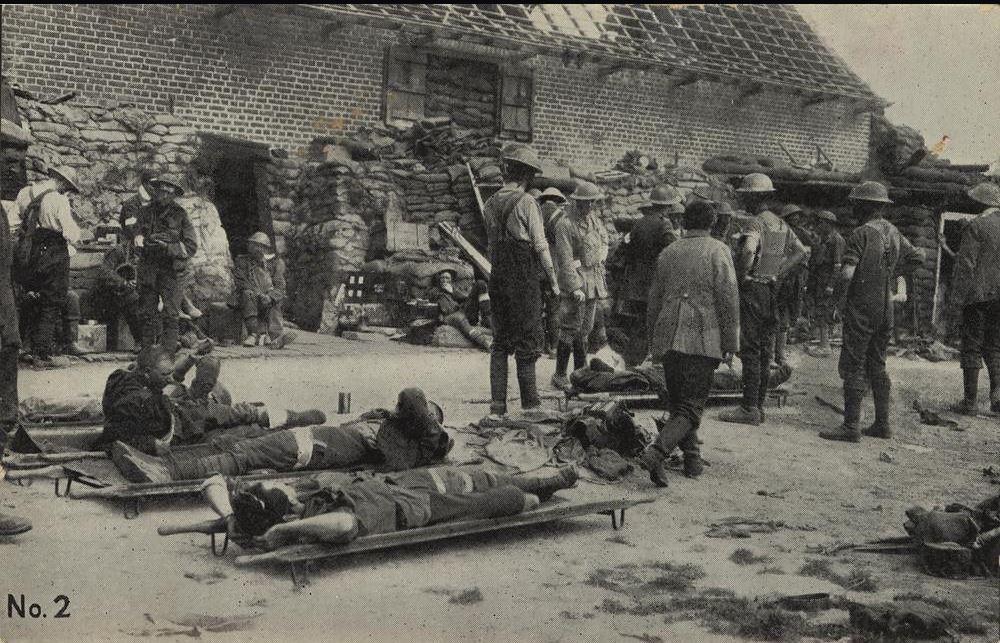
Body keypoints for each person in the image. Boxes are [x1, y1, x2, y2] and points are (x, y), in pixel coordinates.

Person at [111, 388, 452, 484]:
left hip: (312, 447)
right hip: (311, 440)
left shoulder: (421, 443)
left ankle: (165, 474)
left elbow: (412, 396)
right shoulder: (396, 432)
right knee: (235, 445)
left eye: (430, 416)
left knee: (241, 456)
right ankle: (161, 462)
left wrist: (426, 420)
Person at [206, 463, 578, 549]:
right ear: (283, 512)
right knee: (515, 500)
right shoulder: (315, 519)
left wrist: (228, 515)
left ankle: (550, 480)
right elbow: (346, 527)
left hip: (397, 484)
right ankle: (547, 486)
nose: (284, 485)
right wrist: (284, 531)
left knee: (478, 475)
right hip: (421, 509)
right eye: (278, 488)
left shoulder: (297, 498)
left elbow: (214, 482)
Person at [640, 201, 739, 486]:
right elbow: (728, 298)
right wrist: (731, 340)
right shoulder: (719, 250)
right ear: (712, 223)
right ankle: (656, 452)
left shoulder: (669, 251)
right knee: (692, 407)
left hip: (669, 333)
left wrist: (654, 339)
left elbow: (654, 300)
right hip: (702, 335)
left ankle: (692, 461)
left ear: (684, 222)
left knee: (679, 402)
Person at [820, 181, 924, 442]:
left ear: (864, 206)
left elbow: (847, 273)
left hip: (862, 307)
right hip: (885, 308)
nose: (853, 208)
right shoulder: (894, 232)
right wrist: (890, 275)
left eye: (856, 204)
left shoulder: (860, 234)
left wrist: (837, 303)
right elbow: (918, 257)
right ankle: (882, 424)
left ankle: (851, 427)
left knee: (853, 364)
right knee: (878, 364)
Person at [94, 344, 323, 454]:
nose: (168, 379)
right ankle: (287, 420)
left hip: (175, 413)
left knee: (223, 403)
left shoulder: (123, 377)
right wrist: (151, 445)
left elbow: (166, 385)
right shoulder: (136, 402)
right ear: (146, 373)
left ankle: (279, 418)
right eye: (163, 375)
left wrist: (186, 365)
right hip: (178, 427)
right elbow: (116, 432)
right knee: (239, 423)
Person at [719, 174, 808, 426]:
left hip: (753, 291)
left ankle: (748, 408)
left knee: (749, 350)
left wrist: (741, 275)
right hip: (770, 291)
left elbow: (748, 250)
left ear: (753, 197)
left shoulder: (755, 224)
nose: (743, 199)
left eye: (745, 195)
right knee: (763, 350)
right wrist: (777, 273)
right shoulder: (780, 224)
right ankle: (757, 406)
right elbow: (800, 252)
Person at [483, 143, 559, 416]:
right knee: (528, 338)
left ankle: (497, 405)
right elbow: (540, 246)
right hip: (522, 277)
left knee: (501, 341)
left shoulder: (489, 203)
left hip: (499, 275)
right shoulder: (527, 202)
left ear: (506, 172)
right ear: (527, 176)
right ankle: (530, 405)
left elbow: (492, 246)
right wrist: (553, 280)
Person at [12, 165, 81, 367]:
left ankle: (23, 347)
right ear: (63, 183)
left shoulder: (25, 192)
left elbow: (16, 222)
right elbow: (71, 233)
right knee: (52, 301)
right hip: (53, 252)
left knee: (28, 297)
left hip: (28, 251)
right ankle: (42, 353)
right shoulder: (59, 200)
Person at [613, 185, 683, 367]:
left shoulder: (639, 223)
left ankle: (632, 362)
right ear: (667, 206)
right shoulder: (664, 224)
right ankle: (639, 363)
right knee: (651, 325)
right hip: (653, 284)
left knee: (639, 325)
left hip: (636, 284)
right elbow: (673, 250)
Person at [550, 181, 609, 391]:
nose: (590, 207)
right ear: (577, 202)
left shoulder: (593, 219)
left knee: (585, 329)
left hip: (593, 279)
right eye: (586, 203)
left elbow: (603, 238)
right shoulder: (565, 225)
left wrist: (602, 253)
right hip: (574, 281)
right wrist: (574, 287)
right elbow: (564, 259)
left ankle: (580, 373)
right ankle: (559, 374)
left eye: (593, 202)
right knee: (569, 328)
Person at [129, 176, 197, 357]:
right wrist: (140, 239)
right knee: (146, 313)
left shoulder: (181, 215)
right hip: (149, 268)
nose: (164, 194)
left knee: (171, 314)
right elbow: (136, 232)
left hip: (171, 271)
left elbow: (191, 246)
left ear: (174, 194)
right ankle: (146, 355)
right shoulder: (144, 212)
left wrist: (168, 248)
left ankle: (167, 355)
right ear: (156, 190)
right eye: (161, 190)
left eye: (169, 191)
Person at [948, 182, 1000, 415]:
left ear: (980, 203)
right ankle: (998, 400)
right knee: (994, 347)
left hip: (977, 296)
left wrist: (957, 299)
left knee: (972, 346)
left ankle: (969, 403)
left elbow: (966, 265)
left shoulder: (976, 226)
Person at [0, 201, 33, 536]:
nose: (14, 170)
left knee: (5, 419)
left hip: (6, 333)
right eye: (8, 162)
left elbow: (11, 271)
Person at [232, 231, 295, 349]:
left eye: (261, 246)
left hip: (266, 297)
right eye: (254, 245)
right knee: (248, 294)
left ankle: (276, 338)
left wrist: (270, 297)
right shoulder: (242, 261)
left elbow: (280, 286)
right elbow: (241, 281)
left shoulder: (275, 264)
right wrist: (258, 294)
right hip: (247, 297)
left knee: (275, 301)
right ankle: (253, 334)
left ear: (266, 249)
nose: (257, 249)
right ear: (249, 246)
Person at [773, 204, 813, 365]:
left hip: (794, 278)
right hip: (782, 277)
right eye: (792, 216)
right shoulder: (781, 233)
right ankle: (777, 354)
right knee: (779, 315)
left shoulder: (802, 234)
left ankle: (780, 353)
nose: (795, 219)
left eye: (797, 216)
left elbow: (808, 254)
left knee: (785, 316)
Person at [93, 222, 143, 351]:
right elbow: (104, 272)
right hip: (114, 294)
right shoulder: (118, 251)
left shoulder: (147, 253)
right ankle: (140, 341)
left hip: (138, 291)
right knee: (133, 299)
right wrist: (123, 283)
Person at [807, 211, 845, 356]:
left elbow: (837, 265)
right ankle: (823, 343)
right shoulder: (824, 239)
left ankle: (825, 346)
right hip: (821, 280)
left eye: (822, 223)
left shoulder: (837, 240)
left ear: (829, 224)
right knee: (820, 311)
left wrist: (831, 285)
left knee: (824, 312)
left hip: (828, 282)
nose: (819, 226)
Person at [429, 270, 491, 351]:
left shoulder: (454, 288)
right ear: (439, 280)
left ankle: (487, 320)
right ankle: (484, 343)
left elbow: (466, 298)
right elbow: (431, 297)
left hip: (463, 311)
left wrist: (452, 291)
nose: (444, 280)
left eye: (447, 278)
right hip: (450, 315)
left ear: (451, 280)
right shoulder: (435, 290)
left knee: (481, 283)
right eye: (442, 278)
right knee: (459, 317)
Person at [539, 187, 568, 357]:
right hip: (554, 266)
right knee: (553, 309)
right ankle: (554, 347)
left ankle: (538, 344)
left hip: (535, 267)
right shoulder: (561, 218)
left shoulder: (535, 212)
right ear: (558, 200)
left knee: (535, 308)